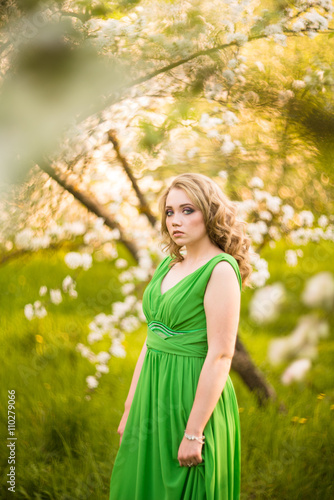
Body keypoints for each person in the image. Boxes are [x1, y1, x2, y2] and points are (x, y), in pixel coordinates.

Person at [109, 172, 252, 499]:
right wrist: (131, 406)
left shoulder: (220, 269)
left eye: (188, 210)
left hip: (191, 397)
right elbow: (152, 339)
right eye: (170, 212)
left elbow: (221, 354)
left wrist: (194, 432)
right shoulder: (169, 266)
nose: (176, 220)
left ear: (210, 211)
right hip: (152, 392)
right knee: (143, 485)